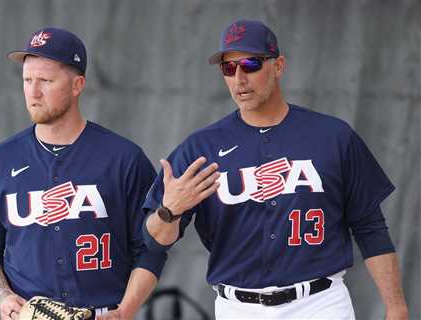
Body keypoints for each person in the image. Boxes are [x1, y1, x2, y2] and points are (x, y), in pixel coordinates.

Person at [142, 19, 409, 319]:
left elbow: (369, 226)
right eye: (229, 69)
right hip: (238, 307)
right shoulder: (200, 149)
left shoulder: (333, 136)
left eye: (250, 64)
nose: (239, 78)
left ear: (278, 66)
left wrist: (396, 306)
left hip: (320, 304)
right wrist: (169, 210)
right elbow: (153, 241)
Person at [0, 27, 166, 320]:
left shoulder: (124, 158)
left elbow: (150, 248)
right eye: (27, 80)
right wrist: (4, 298)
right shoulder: (0, 161)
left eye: (45, 80)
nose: (33, 91)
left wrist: (126, 311)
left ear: (77, 85)